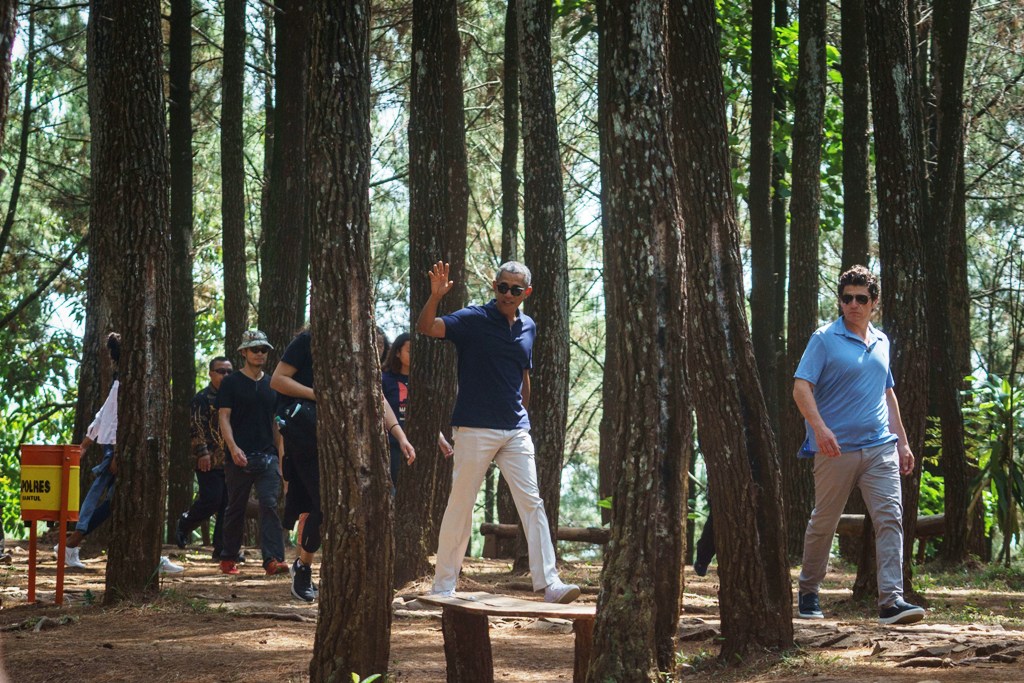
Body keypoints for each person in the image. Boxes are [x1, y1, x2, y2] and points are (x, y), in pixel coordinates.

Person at [417, 260, 580, 604]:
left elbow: (523, 375)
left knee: (532, 503)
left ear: (526, 293)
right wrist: (435, 297)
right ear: (495, 286)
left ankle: (550, 583)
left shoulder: (529, 327)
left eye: (515, 290)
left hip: (516, 429)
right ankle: (444, 585)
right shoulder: (473, 319)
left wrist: (523, 413)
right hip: (475, 427)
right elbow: (427, 327)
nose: (508, 294)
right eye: (502, 287)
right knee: (461, 504)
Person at [793, 265, 925, 625]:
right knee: (825, 520)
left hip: (881, 447)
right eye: (847, 298)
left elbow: (888, 393)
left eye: (861, 298)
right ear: (841, 300)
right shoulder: (823, 339)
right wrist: (819, 429)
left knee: (891, 518)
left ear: (874, 303)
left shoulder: (882, 341)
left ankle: (891, 601)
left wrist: (903, 443)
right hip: (835, 450)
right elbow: (801, 387)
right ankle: (808, 592)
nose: (853, 304)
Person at [272, 326, 415, 602]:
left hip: (347, 437)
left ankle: (357, 575)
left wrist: (400, 435)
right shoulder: (308, 340)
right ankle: (304, 567)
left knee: (371, 499)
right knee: (324, 502)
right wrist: (320, 396)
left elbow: (378, 396)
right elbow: (277, 380)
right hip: (305, 435)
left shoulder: (362, 354)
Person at [59, 332, 183, 574]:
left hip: (117, 446)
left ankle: (73, 542)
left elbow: (104, 412)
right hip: (119, 447)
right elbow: (113, 416)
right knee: (128, 498)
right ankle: (73, 542)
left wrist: (86, 443)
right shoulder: (126, 380)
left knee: (119, 500)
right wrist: (116, 452)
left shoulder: (123, 378)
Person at [217, 330, 288, 576]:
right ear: (244, 352)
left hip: (267, 455)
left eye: (264, 350)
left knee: (269, 503)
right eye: (255, 349)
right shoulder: (231, 383)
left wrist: (281, 460)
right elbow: (223, 418)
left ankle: (273, 559)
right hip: (238, 457)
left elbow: (276, 424)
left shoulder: (273, 385)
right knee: (235, 507)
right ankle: (228, 557)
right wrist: (233, 448)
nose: (260, 354)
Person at [175, 356, 239, 562]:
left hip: (231, 459)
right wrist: (202, 453)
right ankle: (185, 523)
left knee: (228, 504)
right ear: (211, 374)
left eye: (229, 371)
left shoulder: (235, 397)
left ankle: (222, 549)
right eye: (221, 371)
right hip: (209, 459)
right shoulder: (202, 398)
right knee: (212, 499)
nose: (226, 375)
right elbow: (196, 427)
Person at [381, 332, 411, 489]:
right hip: (391, 445)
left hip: (415, 443)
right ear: (397, 352)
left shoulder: (419, 380)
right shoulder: (384, 379)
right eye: (409, 350)